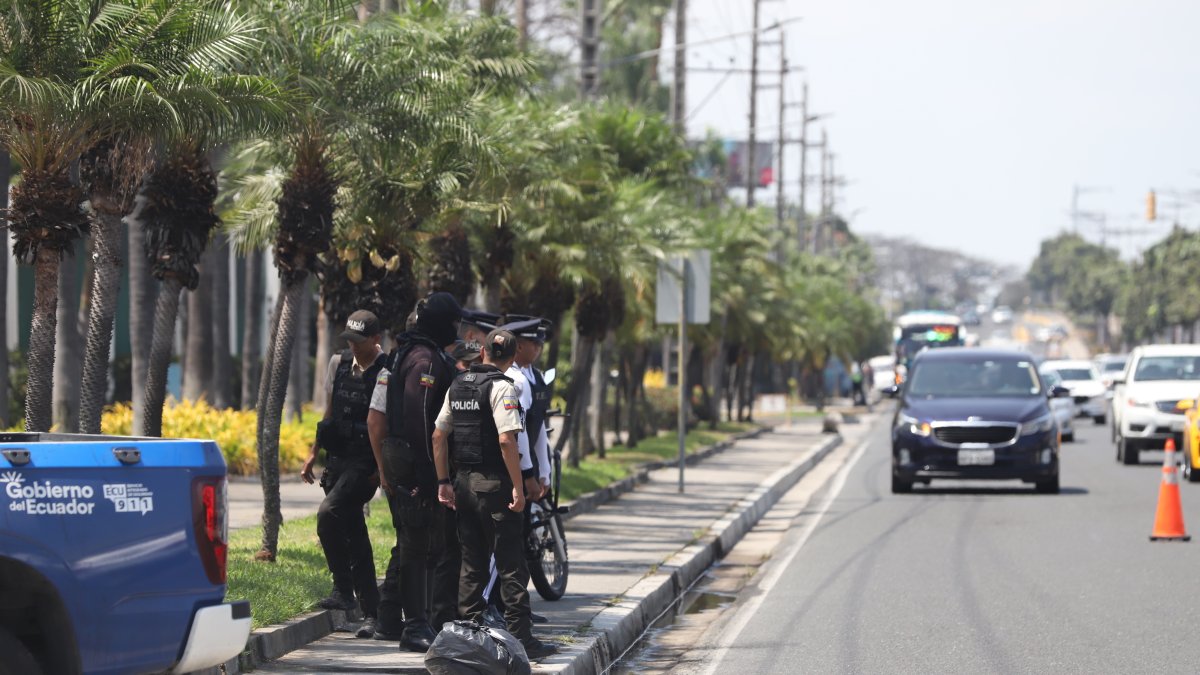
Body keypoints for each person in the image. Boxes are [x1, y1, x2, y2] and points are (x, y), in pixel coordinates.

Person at [432, 329, 558, 659]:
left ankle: (472, 639)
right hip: (495, 487)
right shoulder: (505, 387)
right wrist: (518, 487)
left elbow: (437, 436)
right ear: (513, 357)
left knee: (472, 564)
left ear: (484, 351)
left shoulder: (457, 383)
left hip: (464, 484)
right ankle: (522, 640)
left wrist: (443, 480)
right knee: (511, 565)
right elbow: (507, 441)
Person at [367, 293, 461, 652]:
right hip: (416, 464)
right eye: (452, 323)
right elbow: (420, 417)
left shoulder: (409, 352)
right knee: (418, 547)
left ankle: (413, 621)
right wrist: (434, 475)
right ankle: (416, 626)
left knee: (417, 545)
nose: (456, 330)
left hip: (405, 460)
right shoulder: (424, 359)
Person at [301, 309, 386, 639]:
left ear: (375, 340)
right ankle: (370, 611)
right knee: (354, 532)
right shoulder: (338, 364)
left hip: (364, 463)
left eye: (359, 341)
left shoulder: (385, 370)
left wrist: (381, 469)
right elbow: (329, 412)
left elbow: (381, 424)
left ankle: (345, 589)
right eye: (349, 340)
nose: (353, 346)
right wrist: (312, 453)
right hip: (337, 460)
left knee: (328, 515)